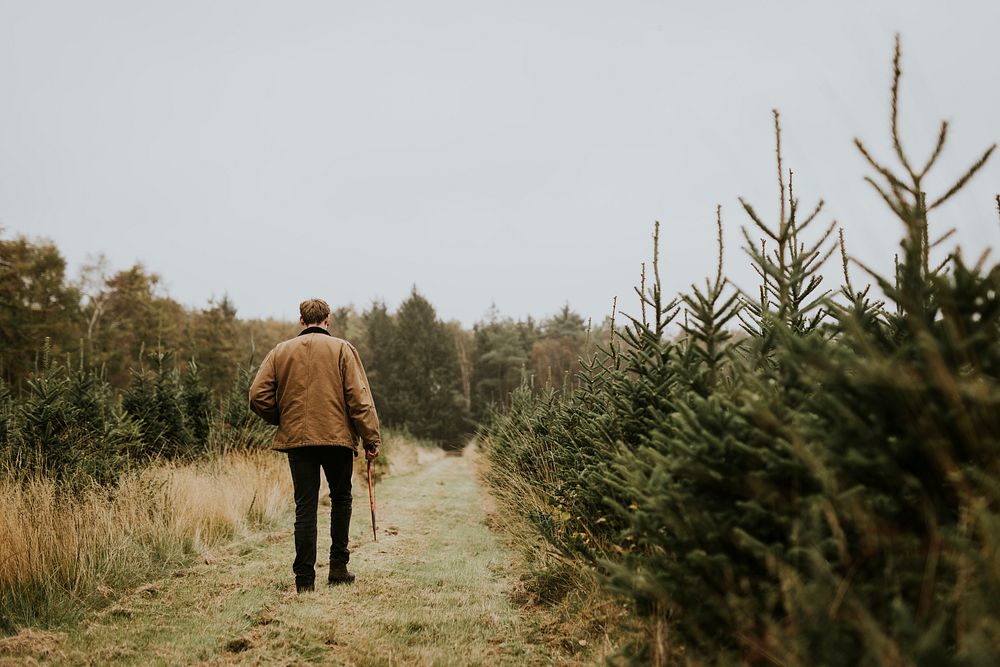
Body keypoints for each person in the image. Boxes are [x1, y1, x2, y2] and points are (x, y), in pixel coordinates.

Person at [249, 298, 381, 593]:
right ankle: (338, 567)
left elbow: (257, 395)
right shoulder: (343, 350)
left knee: (305, 507)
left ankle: (304, 580)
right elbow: (359, 399)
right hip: (337, 440)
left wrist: (283, 418)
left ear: (301, 320)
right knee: (341, 499)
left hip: (298, 441)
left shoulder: (280, 352)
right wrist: (371, 438)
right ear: (327, 319)